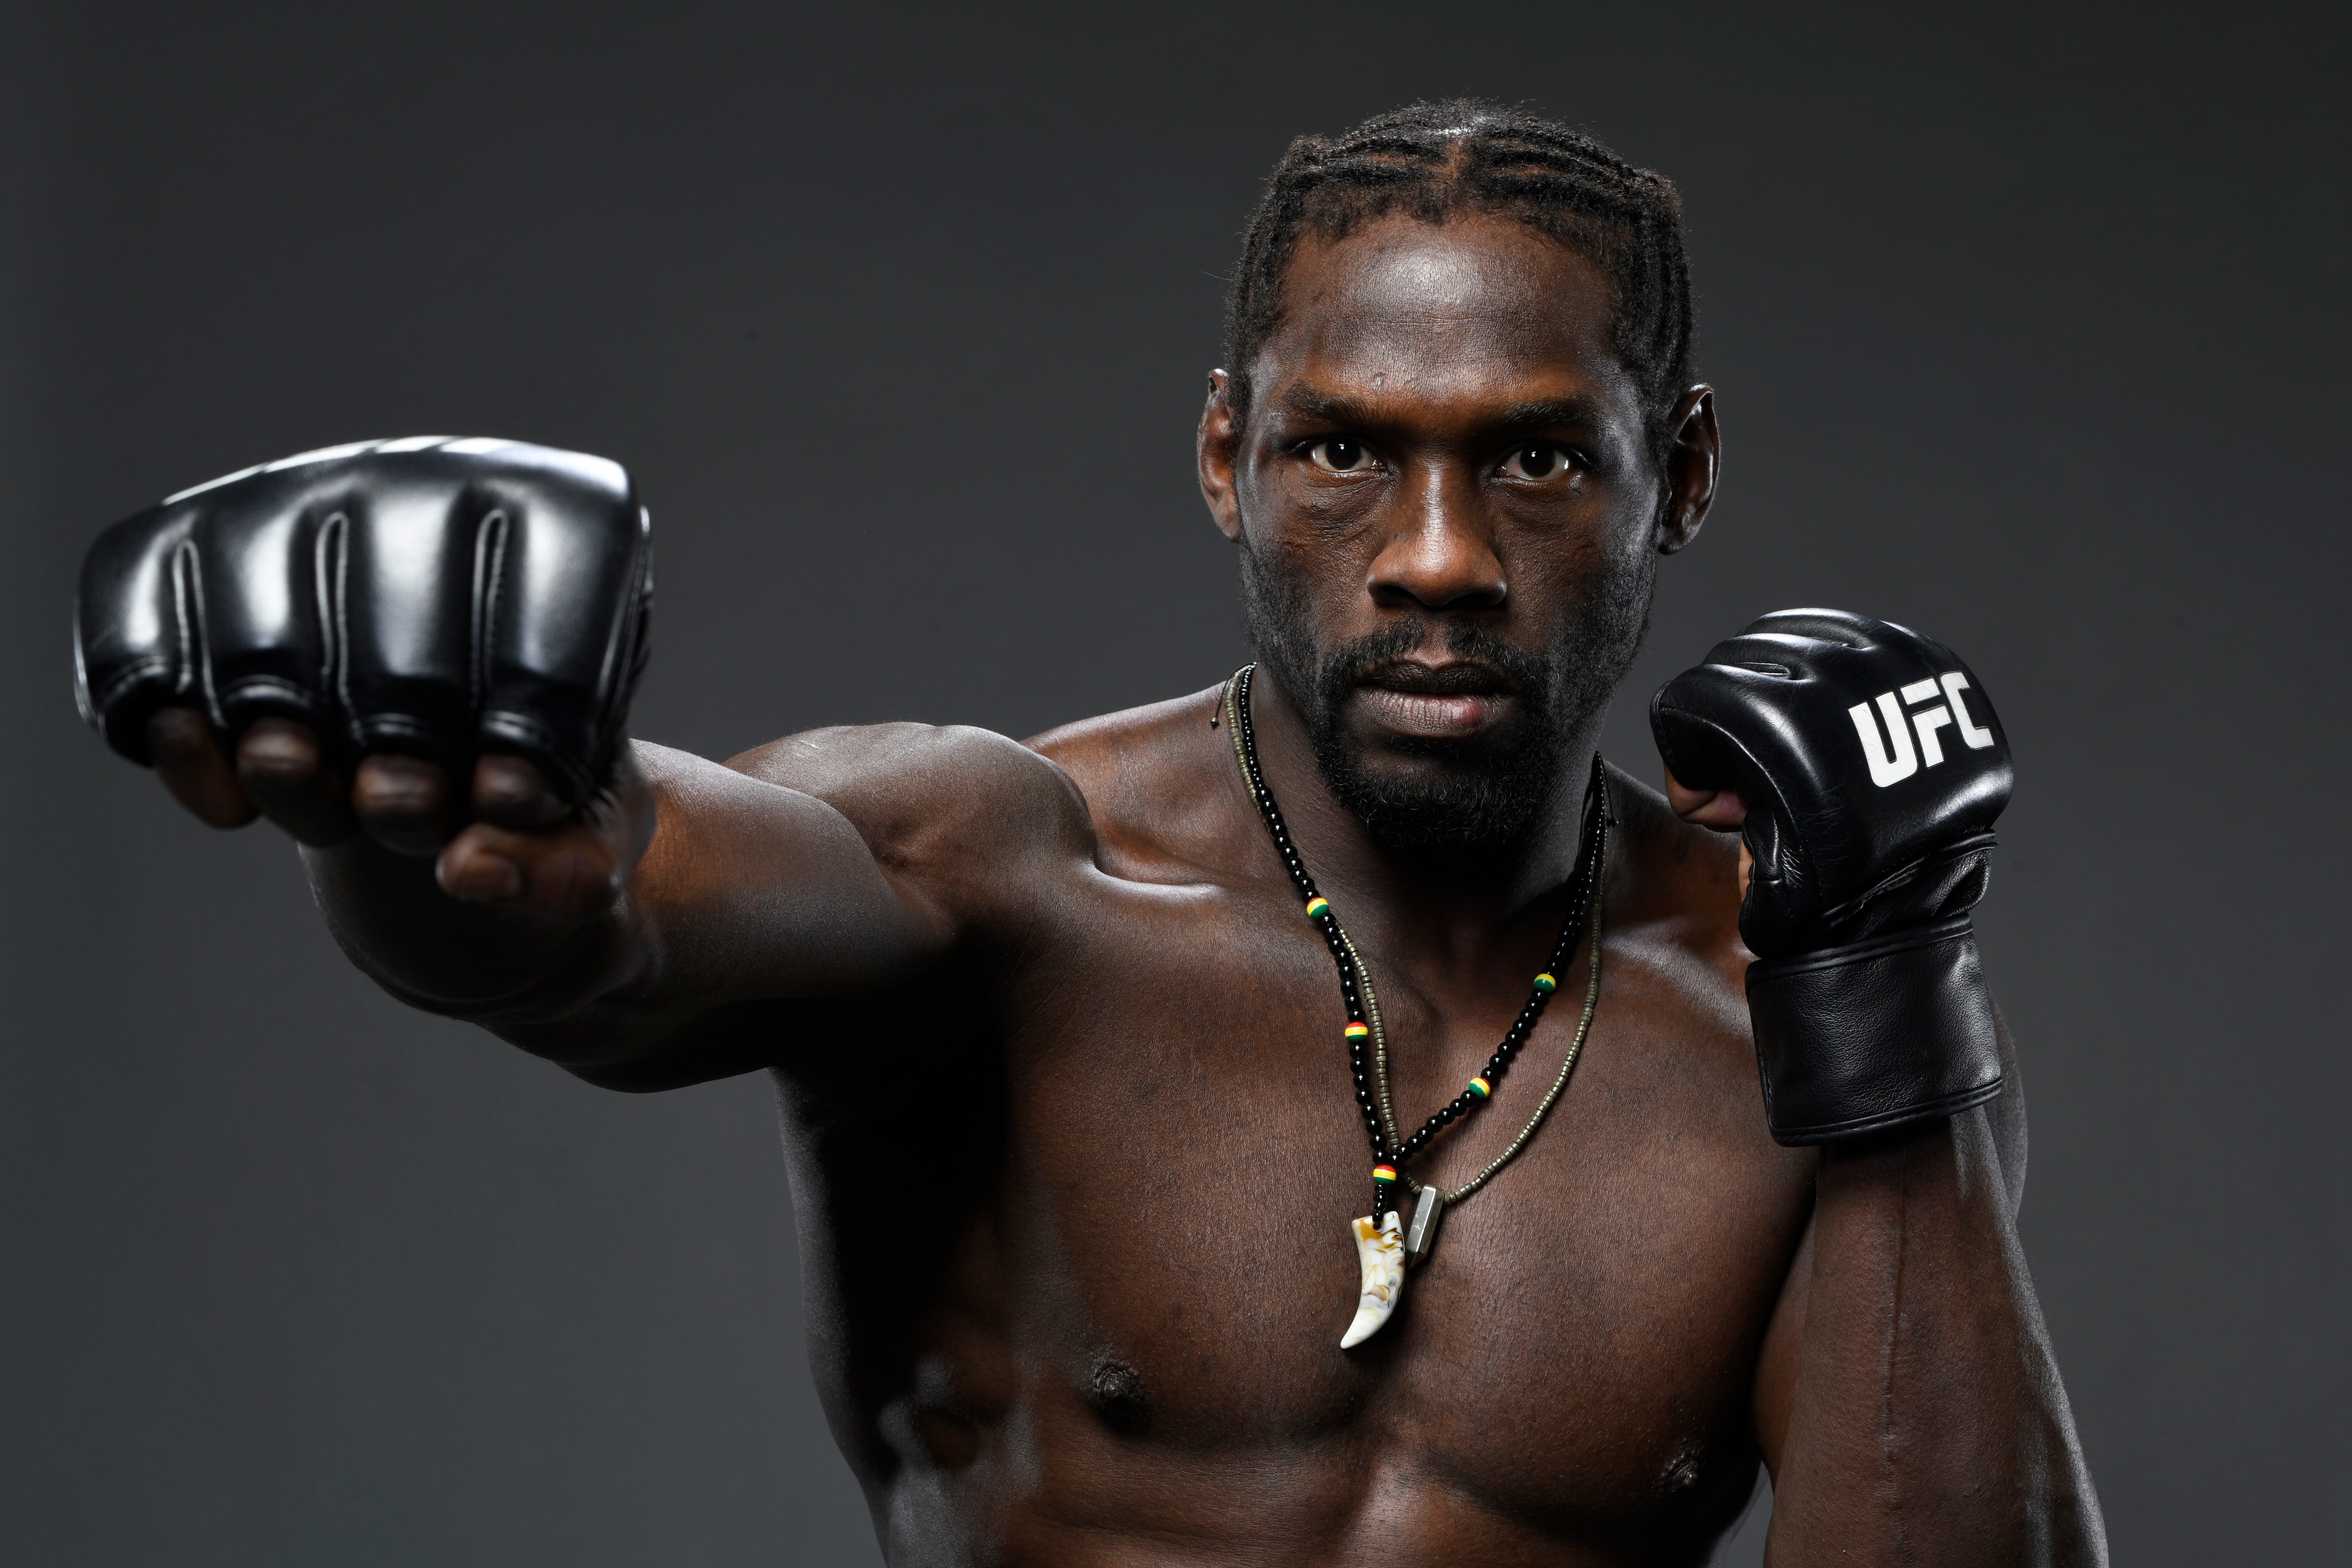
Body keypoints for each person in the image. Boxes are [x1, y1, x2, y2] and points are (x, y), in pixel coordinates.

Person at [70, 101, 2106, 1565]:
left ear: (1685, 471)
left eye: (1540, 460)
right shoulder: (1003, 867)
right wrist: (429, 799)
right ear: (1228, 456)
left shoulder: (1811, 1007)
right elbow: (595, 915)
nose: (1434, 559)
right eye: (1341, 449)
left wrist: (1891, 999)